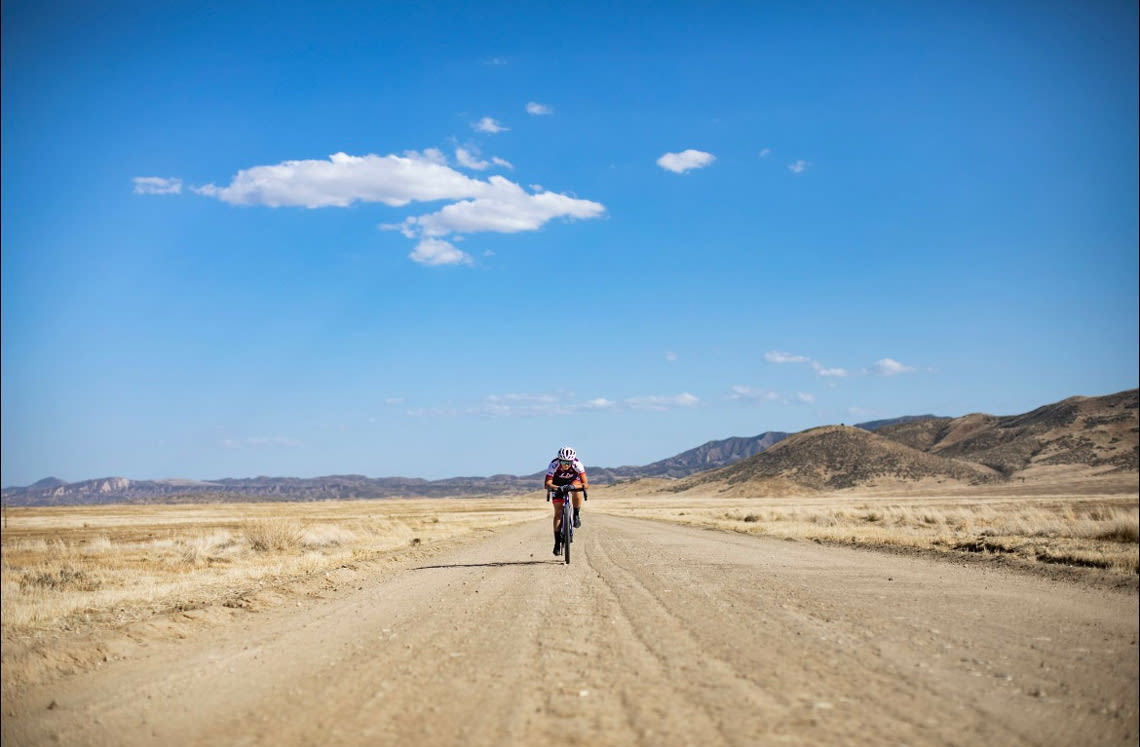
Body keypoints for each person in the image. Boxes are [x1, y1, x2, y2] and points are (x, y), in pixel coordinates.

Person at [544, 446, 589, 555]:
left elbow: (585, 484)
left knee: (577, 490)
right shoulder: (553, 465)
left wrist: (574, 487)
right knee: (558, 513)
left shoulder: (577, 465)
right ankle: (557, 543)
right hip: (557, 484)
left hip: (573, 481)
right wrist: (557, 488)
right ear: (559, 460)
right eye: (563, 462)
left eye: (568, 462)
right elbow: (547, 484)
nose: (566, 465)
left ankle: (576, 514)